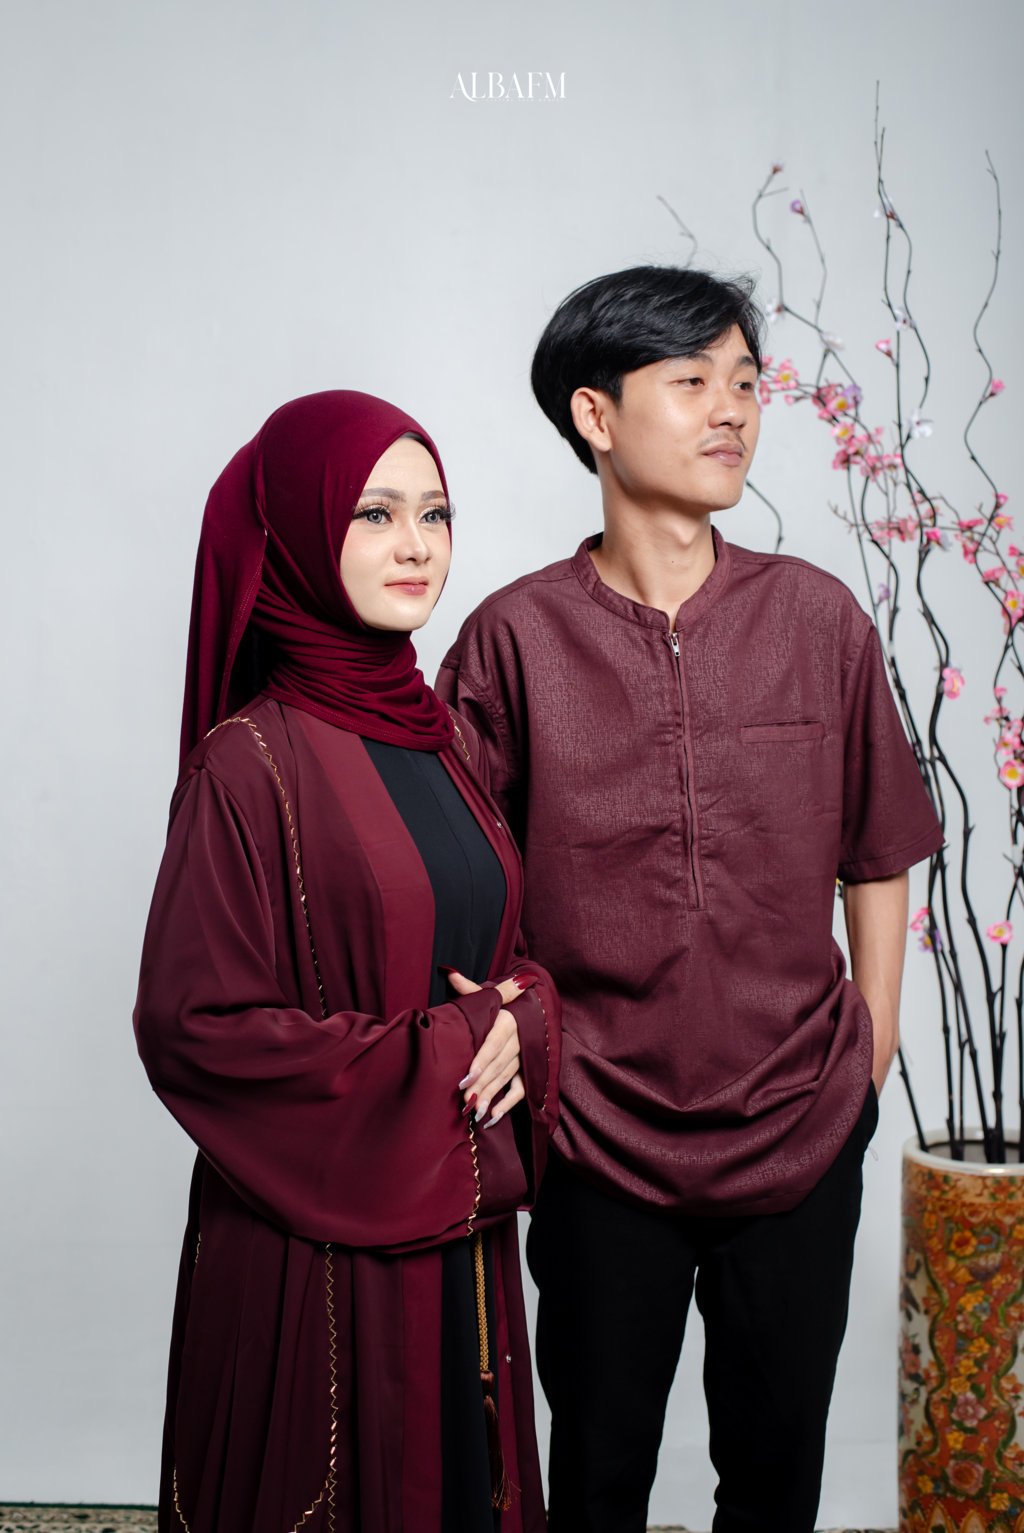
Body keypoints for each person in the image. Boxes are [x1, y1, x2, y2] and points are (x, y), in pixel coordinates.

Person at [435, 267, 944, 1533]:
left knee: (775, 1479)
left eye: (745, 383)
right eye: (691, 381)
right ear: (595, 416)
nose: (731, 411)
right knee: (595, 1474)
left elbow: (879, 844)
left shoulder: (816, 617)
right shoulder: (511, 639)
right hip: (596, 1125)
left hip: (800, 1113)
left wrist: (872, 1041)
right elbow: (454, 877)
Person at [133, 390, 560, 1533]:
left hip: (460, 1239)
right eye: (374, 514)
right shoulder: (247, 765)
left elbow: (504, 955)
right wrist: (453, 1049)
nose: (415, 544)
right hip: (310, 1258)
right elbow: (193, 1026)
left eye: (434, 512)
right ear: (296, 535)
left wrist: (526, 1013)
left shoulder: (442, 738)